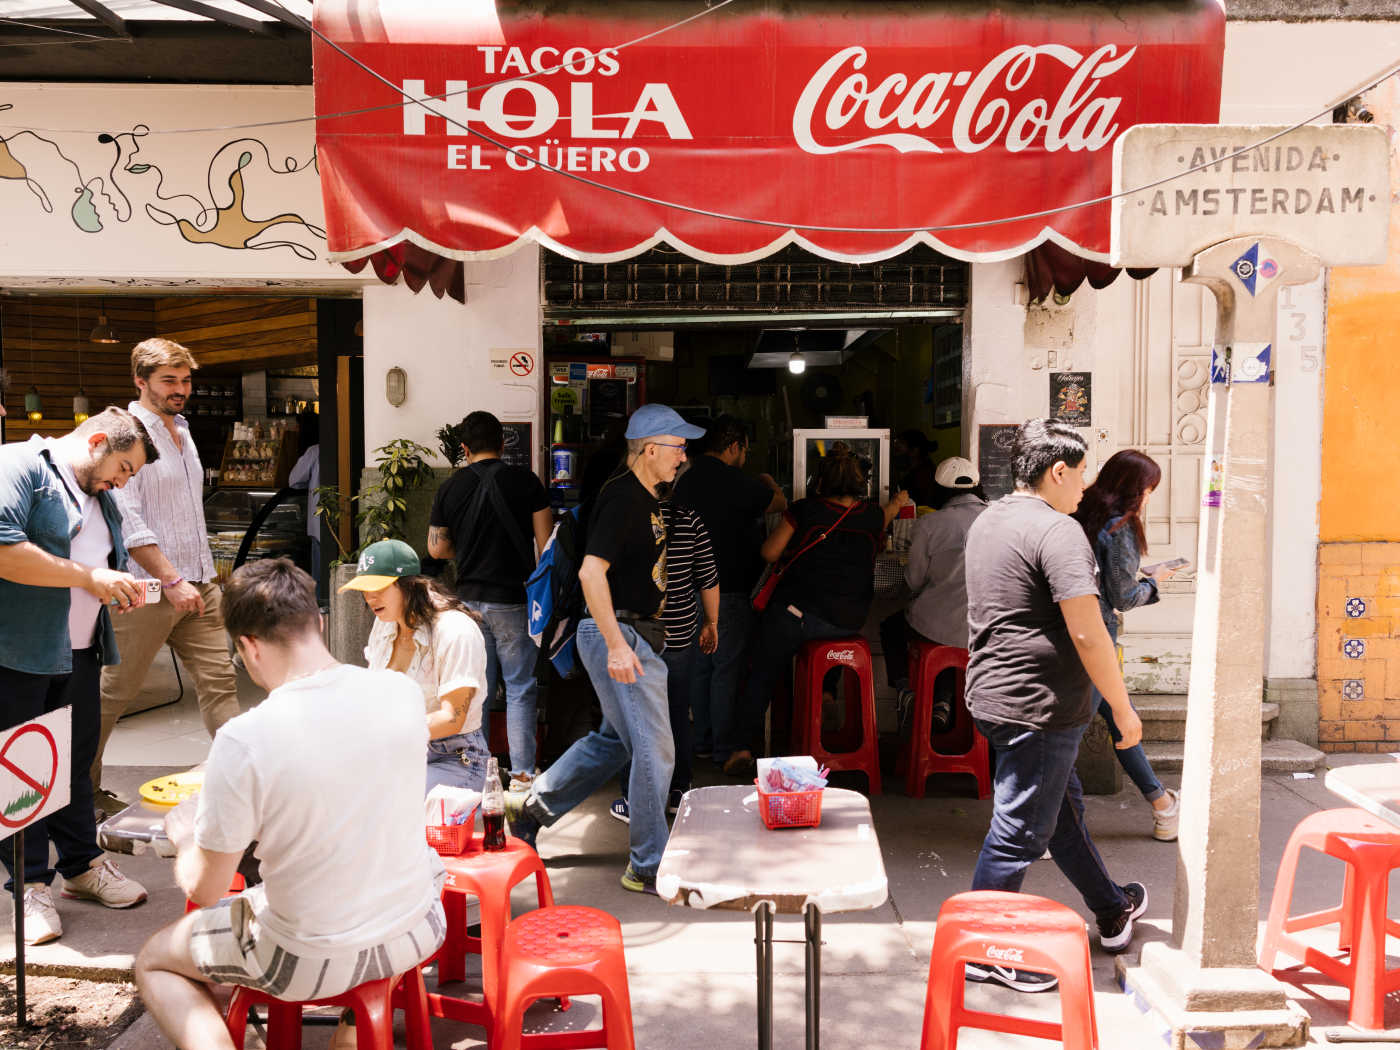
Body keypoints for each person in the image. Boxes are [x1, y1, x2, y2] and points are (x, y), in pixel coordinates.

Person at [133, 559, 447, 1050]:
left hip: (308, 958)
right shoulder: (401, 692)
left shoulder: (245, 738)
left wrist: (187, 832)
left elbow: (207, 887)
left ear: (249, 646)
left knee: (154, 960)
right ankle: (351, 1029)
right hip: (418, 927)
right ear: (318, 621)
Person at [964, 419, 1147, 993]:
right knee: (1019, 831)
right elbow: (1089, 632)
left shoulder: (990, 518)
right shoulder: (1059, 531)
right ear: (1058, 470)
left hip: (997, 692)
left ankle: (1112, 908)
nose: (1086, 486)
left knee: (1060, 816)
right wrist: (1122, 708)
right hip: (1036, 706)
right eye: (1082, 472)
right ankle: (983, 951)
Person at [506, 404, 706, 895]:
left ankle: (531, 809)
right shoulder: (622, 498)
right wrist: (617, 645)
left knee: (614, 742)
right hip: (620, 634)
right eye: (679, 447)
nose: (683, 457)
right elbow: (590, 573)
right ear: (651, 449)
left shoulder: (647, 498)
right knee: (656, 749)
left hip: (630, 634)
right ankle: (648, 864)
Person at [0, 409, 156, 944]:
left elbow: (97, 562)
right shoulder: (20, 466)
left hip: (81, 651)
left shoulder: (98, 493)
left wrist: (115, 587)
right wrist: (90, 577)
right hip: (18, 653)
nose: (124, 481)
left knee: (74, 763)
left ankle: (81, 866)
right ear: (97, 442)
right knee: (22, 770)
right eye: (123, 468)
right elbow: (4, 549)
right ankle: (28, 885)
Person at [95, 338, 242, 809]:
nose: (181, 390)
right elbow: (128, 519)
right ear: (140, 381)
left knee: (221, 684)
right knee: (113, 694)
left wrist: (199, 578)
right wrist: (172, 580)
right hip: (147, 589)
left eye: (186, 380)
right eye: (169, 381)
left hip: (199, 582)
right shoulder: (123, 433)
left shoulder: (184, 430)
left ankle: (243, 787)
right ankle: (82, 795)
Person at [727, 453, 910, 775]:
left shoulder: (804, 510)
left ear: (820, 481)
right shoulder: (872, 516)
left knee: (762, 670)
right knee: (825, 635)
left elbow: (769, 552)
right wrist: (898, 501)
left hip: (799, 616)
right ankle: (826, 693)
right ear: (861, 483)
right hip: (848, 622)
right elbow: (887, 517)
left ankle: (741, 748)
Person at [428, 411, 552, 788]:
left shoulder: (450, 488)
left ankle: (479, 772)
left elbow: (436, 549)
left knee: (475, 690)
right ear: (502, 443)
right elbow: (546, 545)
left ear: (464, 449)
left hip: (468, 604)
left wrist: (467, 549)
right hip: (513, 600)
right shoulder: (527, 482)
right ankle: (523, 774)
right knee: (520, 689)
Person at [1072, 449, 1182, 841]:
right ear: (1135, 490)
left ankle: (1163, 805)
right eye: (1149, 489)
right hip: (1096, 635)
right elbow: (1122, 597)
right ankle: (1048, 830)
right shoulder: (1120, 528)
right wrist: (1154, 582)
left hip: (1071, 626)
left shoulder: (1080, 512)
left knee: (1118, 720)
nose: (1150, 498)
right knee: (1078, 734)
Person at [674, 414, 784, 768]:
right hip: (728, 590)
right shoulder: (737, 482)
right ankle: (724, 748)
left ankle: (701, 742)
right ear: (734, 446)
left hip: (687, 588)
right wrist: (768, 480)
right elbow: (780, 503)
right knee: (726, 669)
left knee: (699, 667)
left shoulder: (685, 480)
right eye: (744, 450)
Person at [339, 539, 490, 793]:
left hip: (454, 757)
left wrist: (385, 730)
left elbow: (452, 718)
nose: (370, 598)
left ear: (409, 585)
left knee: (391, 799)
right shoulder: (384, 623)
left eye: (379, 588)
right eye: (364, 589)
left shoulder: (455, 630)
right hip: (398, 751)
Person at [610, 494, 719, 822]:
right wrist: (712, 622)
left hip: (635, 635)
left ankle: (634, 798)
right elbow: (708, 579)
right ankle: (678, 790)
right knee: (676, 711)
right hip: (678, 634)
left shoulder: (625, 516)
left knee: (634, 714)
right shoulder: (689, 520)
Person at [879, 456, 989, 734]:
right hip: (987, 631)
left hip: (939, 628)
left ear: (938, 489)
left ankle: (906, 690)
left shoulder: (930, 524)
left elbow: (914, 581)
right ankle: (942, 701)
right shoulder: (1001, 520)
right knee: (954, 640)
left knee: (895, 628)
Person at [287, 411, 321, 596]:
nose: (295, 429)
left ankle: (320, 607)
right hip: (334, 525)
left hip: (318, 526)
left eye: (298, 426)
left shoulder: (314, 451)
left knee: (319, 578)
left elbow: (294, 481)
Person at [893, 429, 938, 507]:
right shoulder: (914, 471)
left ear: (914, 450)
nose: (895, 455)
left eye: (898, 450)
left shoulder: (924, 475)